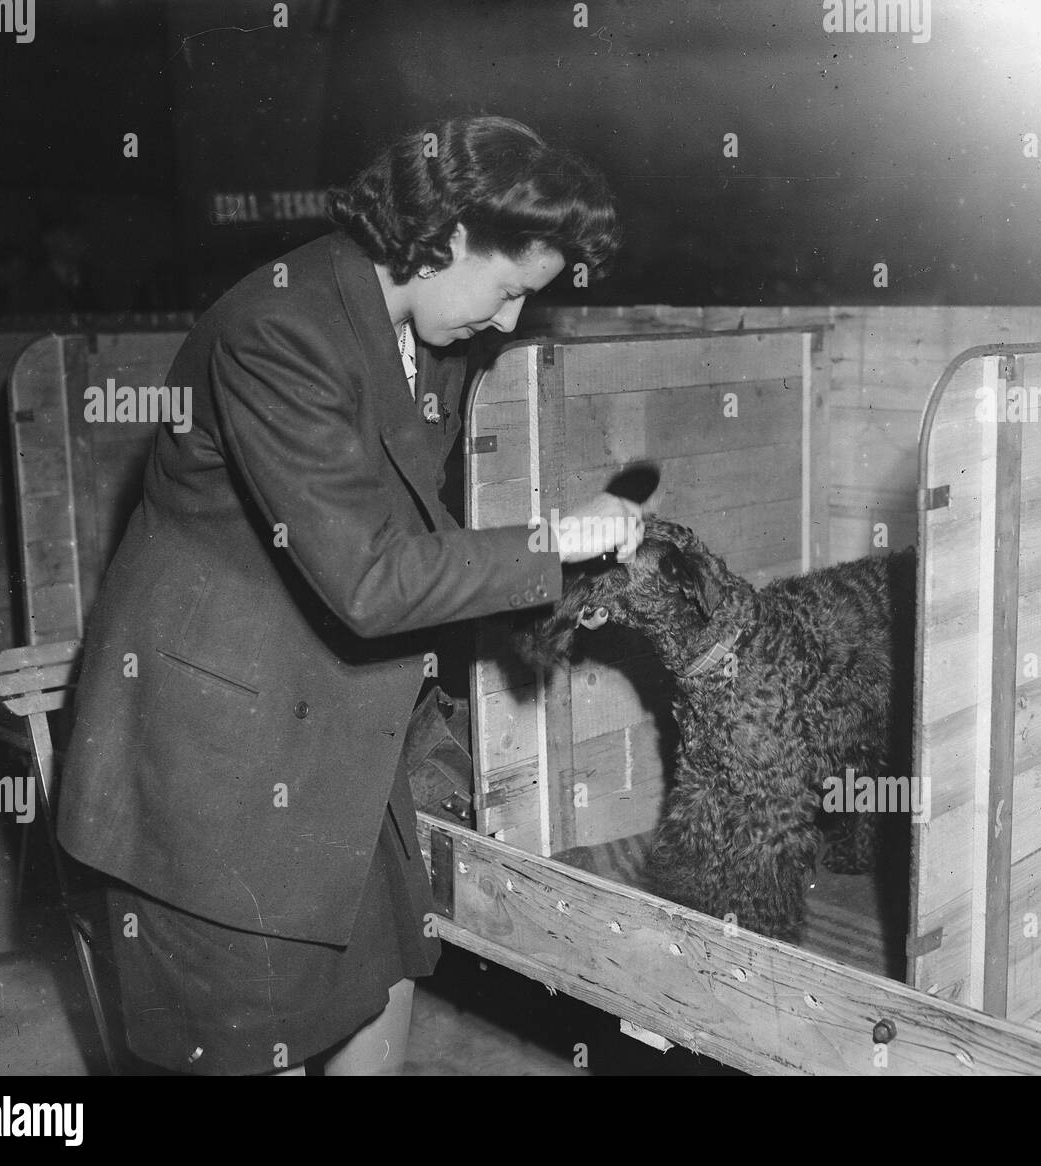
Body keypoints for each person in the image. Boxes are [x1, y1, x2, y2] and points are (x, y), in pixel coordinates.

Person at [56, 115, 645, 1075]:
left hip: (331, 737)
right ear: (447, 236)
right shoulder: (278, 331)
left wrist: (551, 590)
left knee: (385, 984)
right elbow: (371, 577)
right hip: (210, 769)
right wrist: (550, 544)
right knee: (256, 1046)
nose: (508, 324)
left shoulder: (427, 338)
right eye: (506, 292)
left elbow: (414, 537)